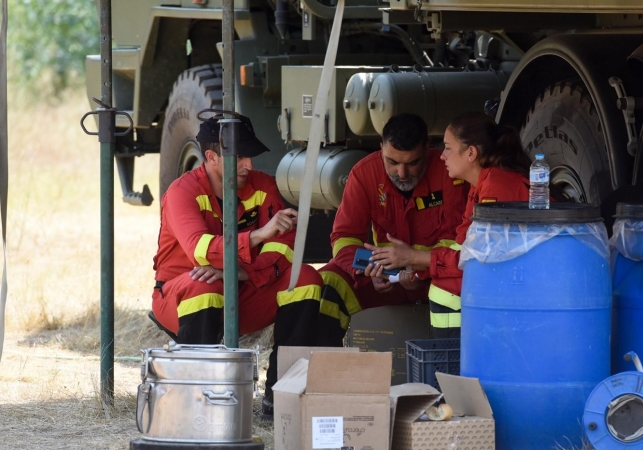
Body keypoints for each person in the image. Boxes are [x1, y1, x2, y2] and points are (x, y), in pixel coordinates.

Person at [151, 114, 323, 417]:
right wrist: (257, 235)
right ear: (211, 157)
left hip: (245, 286)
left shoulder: (264, 186)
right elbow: (201, 253)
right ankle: (194, 406)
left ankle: (281, 400)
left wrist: (241, 272)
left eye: (250, 156)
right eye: (240, 156)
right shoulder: (182, 192)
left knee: (306, 279)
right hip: (181, 296)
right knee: (205, 283)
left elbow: (284, 252)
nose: (249, 166)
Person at [368, 111, 533, 337]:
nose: (442, 156)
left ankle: (454, 363)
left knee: (447, 288)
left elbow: (478, 261)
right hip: (515, 282)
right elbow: (462, 247)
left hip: (525, 287)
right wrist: (414, 270)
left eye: (447, 147)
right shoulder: (480, 187)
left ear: (471, 153)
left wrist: (414, 258)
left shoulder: (496, 188)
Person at [316, 113, 469, 345]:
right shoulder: (363, 173)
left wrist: (419, 269)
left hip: (437, 277)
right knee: (329, 280)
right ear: (380, 148)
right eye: (392, 161)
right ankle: (325, 371)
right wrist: (369, 268)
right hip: (385, 280)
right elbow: (344, 238)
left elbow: (458, 242)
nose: (402, 173)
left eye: (412, 163)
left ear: (427, 149)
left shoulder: (449, 172)